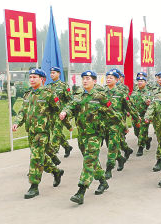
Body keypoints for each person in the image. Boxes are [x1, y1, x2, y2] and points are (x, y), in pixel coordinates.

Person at [60, 70, 123, 205]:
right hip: (82, 135)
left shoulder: (100, 97)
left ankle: (81, 191)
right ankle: (103, 182)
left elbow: (112, 113)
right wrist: (65, 112)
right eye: (83, 78)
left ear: (94, 81)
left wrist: (122, 126)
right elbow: (70, 106)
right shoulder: (78, 97)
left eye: (88, 78)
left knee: (89, 160)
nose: (85, 81)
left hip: (95, 135)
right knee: (92, 160)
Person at [12, 68, 64, 199]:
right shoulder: (28, 94)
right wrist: (17, 122)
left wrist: (57, 122)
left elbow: (58, 110)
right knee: (40, 156)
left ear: (42, 79)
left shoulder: (48, 94)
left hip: (42, 132)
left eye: (35, 77)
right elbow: (22, 112)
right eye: (30, 77)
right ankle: (56, 171)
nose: (32, 79)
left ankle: (34, 186)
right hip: (31, 131)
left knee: (35, 157)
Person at [103, 69, 140, 179]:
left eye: (111, 77)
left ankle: (109, 168)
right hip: (104, 124)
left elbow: (130, 107)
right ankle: (120, 158)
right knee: (110, 144)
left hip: (116, 123)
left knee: (112, 146)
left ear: (117, 80)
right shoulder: (102, 92)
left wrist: (137, 120)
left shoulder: (120, 93)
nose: (109, 79)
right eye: (107, 77)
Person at [46, 67, 73, 160]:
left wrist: (65, 111)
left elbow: (70, 100)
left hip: (61, 113)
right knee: (56, 132)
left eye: (54, 73)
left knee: (57, 131)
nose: (52, 74)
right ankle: (67, 147)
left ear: (59, 74)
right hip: (51, 114)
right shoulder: (48, 86)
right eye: (51, 73)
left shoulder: (64, 86)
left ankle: (53, 152)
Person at [130, 75, 152, 156]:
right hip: (136, 116)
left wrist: (149, 103)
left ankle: (140, 148)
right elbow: (131, 104)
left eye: (142, 81)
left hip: (145, 115)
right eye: (138, 81)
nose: (139, 82)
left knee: (143, 131)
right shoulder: (134, 92)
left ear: (145, 83)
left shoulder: (149, 93)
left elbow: (152, 105)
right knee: (137, 132)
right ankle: (147, 140)